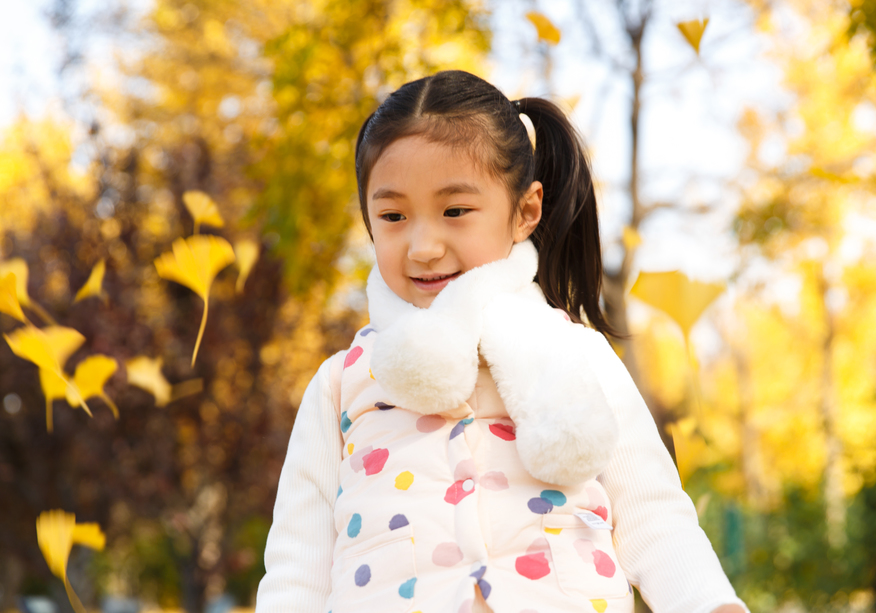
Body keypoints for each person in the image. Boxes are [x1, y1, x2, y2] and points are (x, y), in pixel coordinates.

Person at [255, 70, 749, 613]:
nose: (422, 246)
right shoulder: (341, 383)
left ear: (525, 212)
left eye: (455, 211)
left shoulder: (578, 356)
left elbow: (652, 516)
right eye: (393, 216)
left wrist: (710, 604)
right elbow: (298, 566)